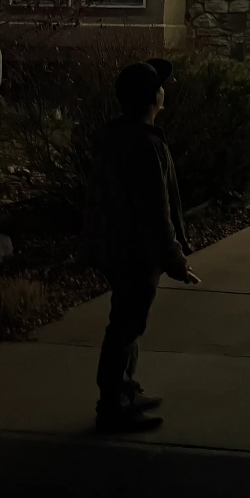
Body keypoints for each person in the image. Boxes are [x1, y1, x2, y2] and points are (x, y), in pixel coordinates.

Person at [89, 58, 199, 433]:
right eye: (160, 87)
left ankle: (125, 390)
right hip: (135, 253)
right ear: (154, 97)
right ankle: (113, 405)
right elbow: (156, 210)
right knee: (125, 326)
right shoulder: (143, 145)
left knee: (128, 323)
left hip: (121, 247)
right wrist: (174, 258)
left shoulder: (120, 135)